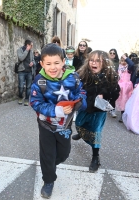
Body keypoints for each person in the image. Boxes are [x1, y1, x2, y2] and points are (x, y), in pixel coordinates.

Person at [30, 43, 87, 199]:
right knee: (47, 154)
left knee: (63, 153)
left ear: (63, 61)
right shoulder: (39, 81)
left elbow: (81, 93)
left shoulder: (73, 77)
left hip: (65, 126)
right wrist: (57, 110)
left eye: (56, 63)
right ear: (42, 64)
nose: (53, 67)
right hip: (45, 124)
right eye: (48, 64)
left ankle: (50, 165)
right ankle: (48, 180)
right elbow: (35, 102)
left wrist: (78, 103)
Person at [71, 50, 120, 172]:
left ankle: (95, 157)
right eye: (92, 60)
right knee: (78, 125)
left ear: (105, 63)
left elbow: (115, 93)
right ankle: (82, 134)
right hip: (85, 107)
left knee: (96, 132)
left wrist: (104, 93)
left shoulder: (111, 77)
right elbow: (75, 87)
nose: (94, 63)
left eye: (98, 60)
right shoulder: (82, 74)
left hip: (99, 109)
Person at [115, 54, 134, 122]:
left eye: (125, 60)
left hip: (127, 86)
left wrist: (126, 59)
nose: (123, 62)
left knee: (127, 100)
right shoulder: (119, 67)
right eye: (122, 60)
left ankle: (127, 115)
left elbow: (132, 64)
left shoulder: (128, 67)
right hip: (120, 86)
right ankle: (122, 115)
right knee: (121, 100)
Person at [17, 39, 36, 106]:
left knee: (28, 87)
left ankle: (27, 99)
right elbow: (21, 58)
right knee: (21, 86)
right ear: (27, 45)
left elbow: (33, 60)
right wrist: (26, 50)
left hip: (29, 71)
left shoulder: (31, 51)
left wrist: (32, 63)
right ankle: (20, 97)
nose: (32, 47)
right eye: (31, 45)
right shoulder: (19, 50)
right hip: (21, 71)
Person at [108, 48, 120, 118]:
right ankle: (106, 107)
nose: (112, 54)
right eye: (111, 53)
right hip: (106, 80)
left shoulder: (118, 62)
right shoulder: (105, 61)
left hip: (114, 81)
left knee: (114, 95)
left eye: (114, 53)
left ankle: (112, 109)